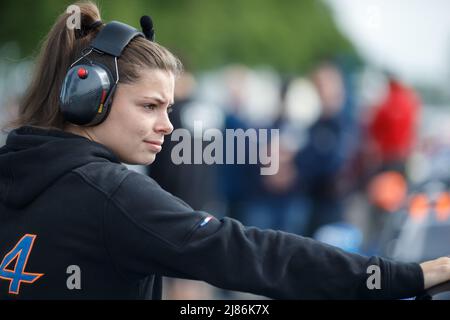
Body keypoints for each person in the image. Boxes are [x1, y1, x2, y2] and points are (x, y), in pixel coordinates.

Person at [0, 1, 449, 300]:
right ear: (88, 98)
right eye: (150, 106)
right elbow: (252, 252)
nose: (168, 124)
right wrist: (398, 275)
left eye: (169, 107)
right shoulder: (111, 195)